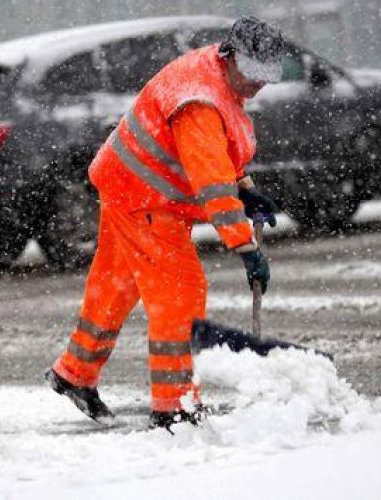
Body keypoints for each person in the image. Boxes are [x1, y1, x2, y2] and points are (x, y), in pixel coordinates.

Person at [46, 16, 284, 430]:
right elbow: (210, 182)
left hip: (125, 186)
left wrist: (244, 185)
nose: (258, 84)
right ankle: (173, 406)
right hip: (146, 199)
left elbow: (217, 153)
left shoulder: (216, 76)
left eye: (266, 76)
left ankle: (74, 374)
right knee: (180, 293)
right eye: (253, 73)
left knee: (117, 285)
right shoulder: (199, 101)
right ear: (230, 58)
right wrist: (245, 247)